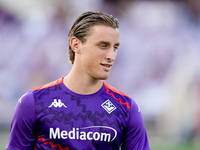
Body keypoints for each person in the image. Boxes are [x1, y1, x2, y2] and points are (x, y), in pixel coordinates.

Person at [6, 11, 150, 150]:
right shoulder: (33, 102)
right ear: (76, 45)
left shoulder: (126, 108)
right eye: (103, 46)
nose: (111, 56)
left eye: (115, 47)